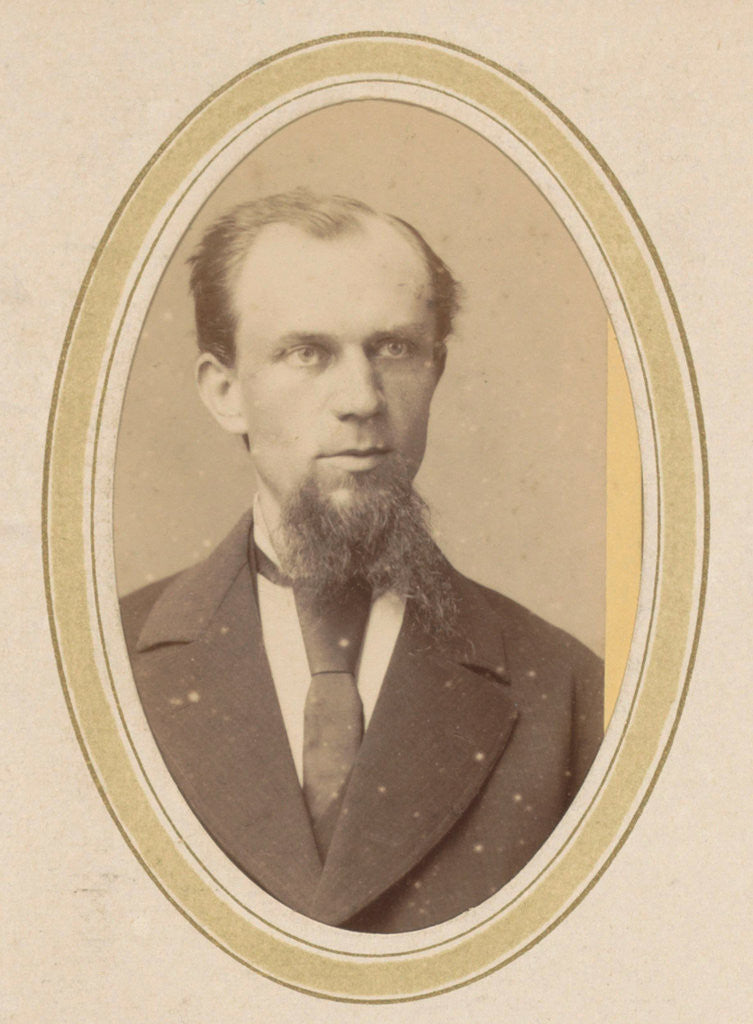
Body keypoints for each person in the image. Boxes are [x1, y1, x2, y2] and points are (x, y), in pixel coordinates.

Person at [120, 189, 603, 933]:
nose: (360, 398)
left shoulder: (567, 692)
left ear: (435, 372)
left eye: (394, 349)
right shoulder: (98, 667)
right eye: (306, 353)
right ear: (225, 393)